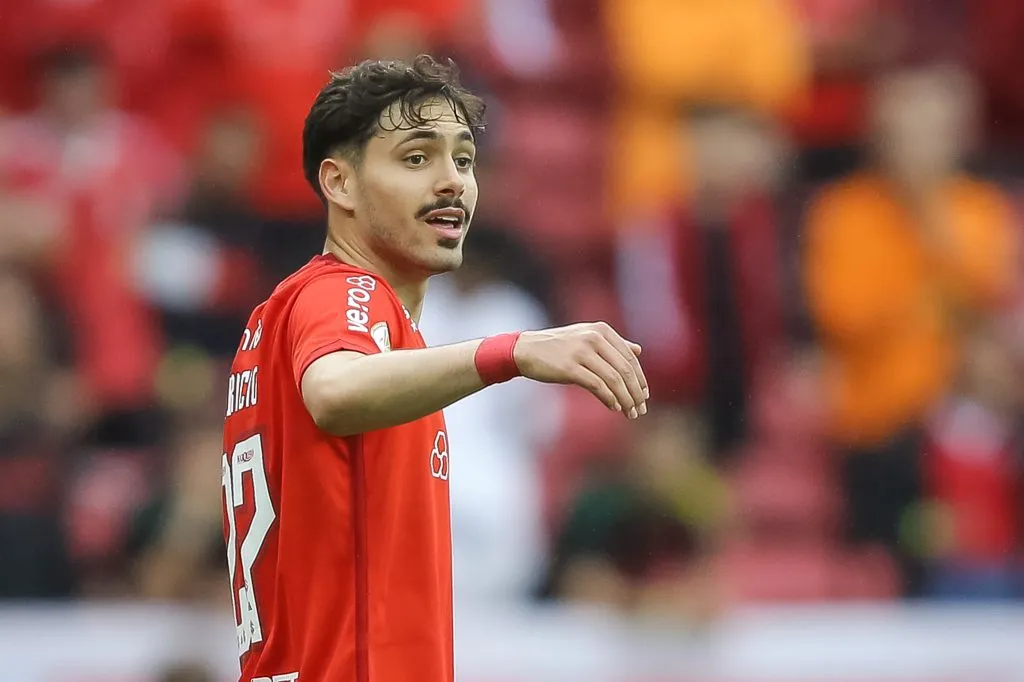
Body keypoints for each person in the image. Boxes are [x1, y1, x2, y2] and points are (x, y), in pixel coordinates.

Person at [220, 55, 648, 682]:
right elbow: (334, 390)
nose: (453, 182)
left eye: (464, 160)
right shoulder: (341, 296)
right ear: (339, 183)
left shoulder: (281, 318)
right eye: (417, 158)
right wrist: (512, 353)